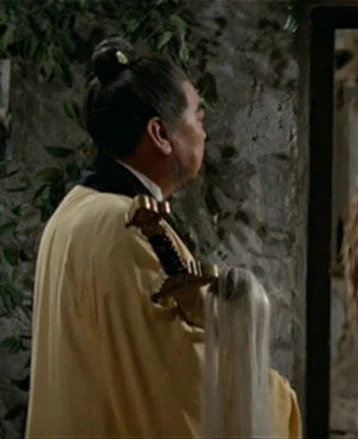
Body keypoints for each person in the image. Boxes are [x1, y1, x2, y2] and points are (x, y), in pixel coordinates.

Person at [26, 37, 300, 438]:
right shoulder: (128, 225)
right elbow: (174, 381)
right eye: (198, 120)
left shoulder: (75, 209)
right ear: (160, 134)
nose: (204, 135)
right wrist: (277, 398)